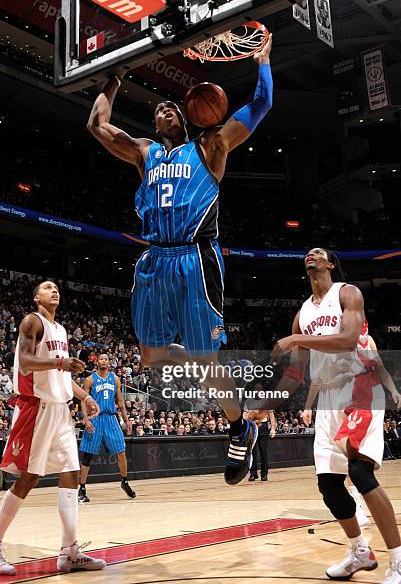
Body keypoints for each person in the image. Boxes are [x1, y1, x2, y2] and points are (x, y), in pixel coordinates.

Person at [87, 34, 273, 486]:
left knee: (205, 363)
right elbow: (97, 124)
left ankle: (238, 427)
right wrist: (114, 78)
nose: (165, 111)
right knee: (151, 356)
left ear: (188, 115)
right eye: (157, 111)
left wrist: (262, 62)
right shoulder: (145, 152)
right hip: (154, 260)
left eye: (172, 108)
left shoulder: (211, 146)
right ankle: (219, 386)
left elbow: (261, 103)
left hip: (196, 257)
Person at [263, 247, 401, 583]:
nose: (311, 255)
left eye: (318, 253)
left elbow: (349, 339)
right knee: (329, 485)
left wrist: (298, 338)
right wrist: (268, 404)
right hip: (326, 396)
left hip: (358, 388)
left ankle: (397, 560)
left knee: (361, 473)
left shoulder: (347, 293)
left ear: (330, 264)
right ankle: (359, 551)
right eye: (308, 253)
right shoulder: (302, 313)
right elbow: (296, 374)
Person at [0, 281, 106, 576]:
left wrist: (85, 396)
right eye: (47, 288)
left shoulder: (60, 330)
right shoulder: (32, 321)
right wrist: (61, 362)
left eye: (57, 287)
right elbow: (25, 363)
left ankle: (69, 550)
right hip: (37, 408)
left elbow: (61, 376)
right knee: (29, 478)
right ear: (37, 298)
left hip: (61, 409)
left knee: (71, 473)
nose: (54, 290)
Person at [78, 353, 135, 503]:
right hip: (95, 419)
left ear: (109, 363)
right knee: (88, 455)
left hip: (111, 418)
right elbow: (83, 400)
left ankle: (125, 481)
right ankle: (82, 489)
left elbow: (120, 401)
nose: (104, 361)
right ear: (97, 362)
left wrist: (126, 420)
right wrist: (86, 419)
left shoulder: (115, 379)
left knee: (121, 450)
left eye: (106, 359)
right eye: (101, 359)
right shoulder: (90, 379)